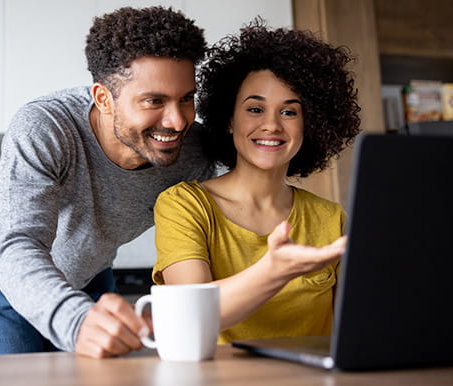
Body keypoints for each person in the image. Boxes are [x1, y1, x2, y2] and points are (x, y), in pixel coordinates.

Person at [0, 6, 215, 358]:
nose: (176, 121)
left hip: (91, 267)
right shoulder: (45, 128)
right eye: (154, 101)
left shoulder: (196, 151)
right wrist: (76, 321)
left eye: (186, 98)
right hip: (3, 270)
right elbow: (17, 243)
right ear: (103, 98)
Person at [152, 19, 361, 344]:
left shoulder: (330, 218)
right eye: (254, 109)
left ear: (312, 125)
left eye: (289, 112)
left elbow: (348, 333)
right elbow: (190, 315)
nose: (272, 125)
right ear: (229, 120)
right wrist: (276, 270)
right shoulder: (183, 206)